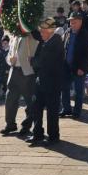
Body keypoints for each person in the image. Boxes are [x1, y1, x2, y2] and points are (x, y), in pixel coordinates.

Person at [27, 17, 65, 146]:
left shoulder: (56, 41)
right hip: (41, 80)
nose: (41, 33)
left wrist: (32, 61)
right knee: (36, 108)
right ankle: (37, 134)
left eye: (43, 31)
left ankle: (53, 136)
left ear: (51, 31)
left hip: (52, 82)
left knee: (52, 111)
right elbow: (39, 58)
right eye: (41, 31)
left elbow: (43, 61)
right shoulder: (45, 40)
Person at [0, 30, 40, 136]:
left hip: (26, 72)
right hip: (14, 71)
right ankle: (10, 124)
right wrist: (9, 60)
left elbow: (36, 40)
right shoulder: (14, 36)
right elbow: (9, 53)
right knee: (10, 99)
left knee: (29, 102)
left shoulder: (31, 35)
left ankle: (26, 126)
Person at [62, 11, 88, 119]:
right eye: (70, 22)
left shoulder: (85, 35)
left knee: (79, 91)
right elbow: (63, 47)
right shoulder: (68, 32)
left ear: (80, 22)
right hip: (66, 66)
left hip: (79, 68)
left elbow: (87, 53)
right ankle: (66, 109)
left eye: (74, 22)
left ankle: (76, 112)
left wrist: (82, 68)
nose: (71, 24)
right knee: (64, 88)